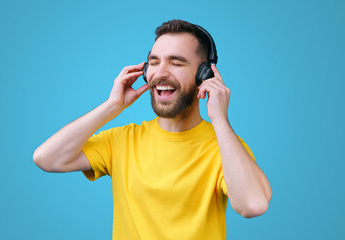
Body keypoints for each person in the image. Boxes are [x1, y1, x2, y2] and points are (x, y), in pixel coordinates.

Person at [33, 19, 272, 240]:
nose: (160, 72)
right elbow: (47, 158)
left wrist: (219, 118)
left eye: (176, 62)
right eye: (154, 62)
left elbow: (253, 205)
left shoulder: (225, 146)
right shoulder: (122, 140)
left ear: (204, 75)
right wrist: (112, 106)